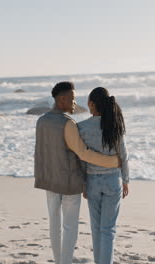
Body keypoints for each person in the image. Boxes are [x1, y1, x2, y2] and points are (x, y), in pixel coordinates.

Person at [34, 81, 120, 264]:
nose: (75, 103)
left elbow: (40, 152)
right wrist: (113, 161)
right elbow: (83, 153)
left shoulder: (41, 121)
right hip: (70, 183)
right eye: (72, 99)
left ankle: (59, 261)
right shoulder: (68, 124)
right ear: (62, 99)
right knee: (70, 227)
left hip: (49, 181)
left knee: (54, 224)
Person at [78, 87, 129, 264]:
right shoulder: (114, 125)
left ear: (92, 104)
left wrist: (84, 183)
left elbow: (82, 158)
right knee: (108, 230)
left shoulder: (82, 127)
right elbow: (123, 155)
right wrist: (126, 180)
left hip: (92, 181)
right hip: (113, 180)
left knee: (96, 228)